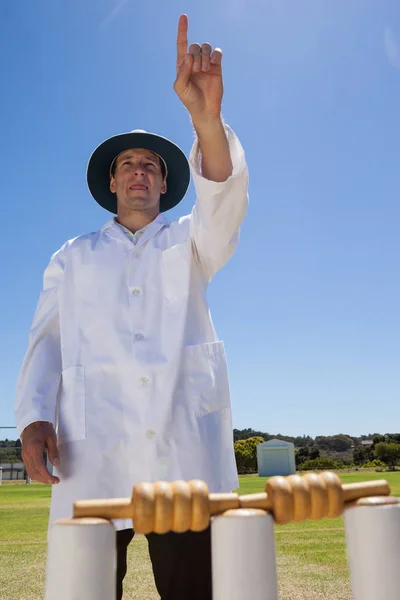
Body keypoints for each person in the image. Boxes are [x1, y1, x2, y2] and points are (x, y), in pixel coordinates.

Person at [15, 14, 248, 600]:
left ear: (165, 184)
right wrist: (34, 418)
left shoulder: (192, 241)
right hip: (93, 452)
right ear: (112, 183)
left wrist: (206, 119)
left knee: (196, 589)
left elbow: (224, 199)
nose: (139, 172)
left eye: (151, 166)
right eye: (128, 165)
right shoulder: (72, 256)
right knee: (83, 589)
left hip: (182, 449)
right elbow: (45, 343)